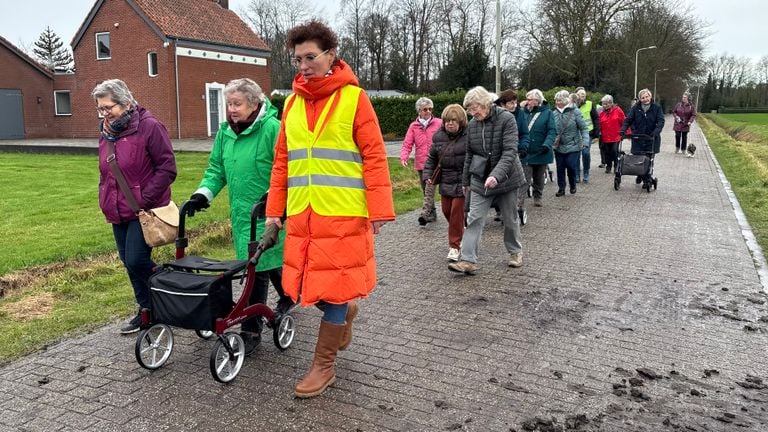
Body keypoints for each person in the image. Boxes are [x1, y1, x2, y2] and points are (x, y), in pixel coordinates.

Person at [265, 20, 395, 398]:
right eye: (297, 59)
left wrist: (379, 211)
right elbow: (281, 163)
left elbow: (374, 156)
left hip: (343, 212)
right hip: (303, 213)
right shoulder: (289, 103)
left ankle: (324, 366)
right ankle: (344, 316)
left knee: (336, 289)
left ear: (331, 56)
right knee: (306, 284)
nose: (303, 66)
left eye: (310, 57)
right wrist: (276, 211)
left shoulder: (355, 99)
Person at [187, 78, 293, 355]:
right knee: (265, 264)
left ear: (254, 103)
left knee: (256, 268)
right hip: (241, 215)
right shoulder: (226, 133)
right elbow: (216, 170)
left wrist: (275, 199)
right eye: (228, 104)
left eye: (237, 104)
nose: (231, 109)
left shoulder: (273, 129)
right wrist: (203, 194)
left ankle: (251, 329)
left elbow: (288, 168)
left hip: (268, 214)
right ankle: (290, 295)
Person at [93, 79, 177, 334]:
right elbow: (106, 172)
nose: (105, 114)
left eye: (109, 107)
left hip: (144, 211)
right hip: (117, 210)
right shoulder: (107, 133)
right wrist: (103, 197)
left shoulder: (150, 127)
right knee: (128, 262)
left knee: (137, 260)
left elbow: (167, 168)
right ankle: (146, 310)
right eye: (100, 109)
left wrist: (144, 200)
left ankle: (171, 287)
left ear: (126, 102)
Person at [448, 86, 526, 274]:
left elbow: (509, 152)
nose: (472, 113)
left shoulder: (507, 119)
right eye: (469, 110)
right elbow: (470, 154)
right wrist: (465, 181)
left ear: (485, 104)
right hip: (480, 178)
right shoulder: (473, 125)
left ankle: (515, 252)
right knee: (474, 218)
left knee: (510, 218)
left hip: (507, 178)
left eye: (475, 108)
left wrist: (495, 175)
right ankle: (468, 260)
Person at [422, 104, 468, 262]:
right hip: (446, 181)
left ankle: (454, 246)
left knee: (456, 212)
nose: (450, 124)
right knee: (447, 211)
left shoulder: (469, 136)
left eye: (454, 121)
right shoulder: (438, 137)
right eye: (447, 120)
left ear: (461, 122)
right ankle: (460, 230)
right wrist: (428, 174)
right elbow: (431, 159)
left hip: (463, 181)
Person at [401, 97, 442, 226]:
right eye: (425, 109)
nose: (428, 111)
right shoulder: (414, 126)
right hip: (421, 163)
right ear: (419, 111)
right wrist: (404, 157)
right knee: (425, 190)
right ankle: (432, 213)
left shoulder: (439, 123)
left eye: (430, 109)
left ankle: (425, 214)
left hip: (436, 163)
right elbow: (407, 143)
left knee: (430, 188)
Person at [494, 89, 530, 225]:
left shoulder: (520, 115)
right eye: (511, 103)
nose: (514, 105)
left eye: (515, 102)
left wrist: (523, 146)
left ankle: (514, 210)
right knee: (500, 184)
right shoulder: (496, 115)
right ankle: (501, 209)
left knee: (516, 184)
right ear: (503, 104)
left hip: (516, 154)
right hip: (499, 156)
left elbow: (525, 133)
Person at [620, 88, 665, 184]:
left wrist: (656, 131)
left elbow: (661, 121)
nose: (645, 99)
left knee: (648, 159)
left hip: (651, 138)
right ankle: (641, 174)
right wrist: (623, 129)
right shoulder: (635, 108)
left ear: (650, 96)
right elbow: (628, 119)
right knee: (638, 158)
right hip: (638, 137)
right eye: (643, 97)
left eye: (647, 96)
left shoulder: (656, 107)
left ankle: (645, 179)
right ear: (640, 99)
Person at [520, 89, 556, 207]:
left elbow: (552, 131)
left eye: (530, 100)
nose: (527, 102)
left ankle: (538, 195)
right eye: (527, 99)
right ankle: (519, 201)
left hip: (542, 151)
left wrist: (547, 144)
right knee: (524, 177)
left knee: (539, 176)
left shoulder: (548, 113)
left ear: (537, 101)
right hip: (527, 151)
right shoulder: (523, 112)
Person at [551, 90, 589, 197]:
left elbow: (584, 128)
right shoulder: (553, 113)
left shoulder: (575, 112)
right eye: (556, 100)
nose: (557, 102)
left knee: (571, 166)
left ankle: (572, 184)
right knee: (560, 168)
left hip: (574, 145)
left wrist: (585, 141)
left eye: (559, 100)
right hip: (559, 146)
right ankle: (561, 188)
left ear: (565, 101)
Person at [574, 87, 600, 183]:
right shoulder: (572, 105)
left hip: (587, 133)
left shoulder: (589, 104)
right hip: (575, 133)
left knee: (585, 152)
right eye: (580, 94)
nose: (582, 96)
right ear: (576, 95)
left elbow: (596, 118)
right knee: (576, 154)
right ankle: (576, 174)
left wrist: (597, 132)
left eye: (584, 94)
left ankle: (586, 172)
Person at [598, 94, 625, 173]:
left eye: (606, 104)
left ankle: (616, 166)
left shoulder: (618, 110)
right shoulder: (601, 113)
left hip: (616, 136)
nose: (604, 105)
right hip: (605, 136)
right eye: (603, 104)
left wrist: (626, 132)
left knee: (614, 151)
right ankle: (608, 166)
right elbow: (599, 124)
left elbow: (624, 121)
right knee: (607, 152)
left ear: (611, 103)